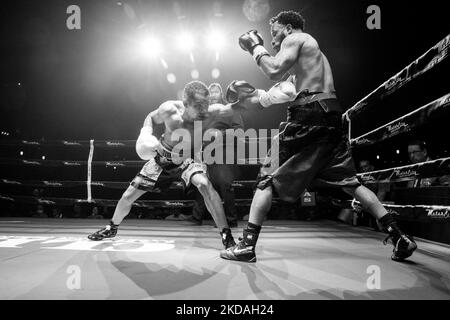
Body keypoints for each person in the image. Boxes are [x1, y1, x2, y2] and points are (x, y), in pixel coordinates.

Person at [220, 10, 417, 262]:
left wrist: (255, 47)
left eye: (275, 32)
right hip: (330, 119)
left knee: (266, 178)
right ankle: (399, 235)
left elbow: (273, 69)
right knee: (351, 183)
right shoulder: (309, 61)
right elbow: (271, 94)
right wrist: (245, 98)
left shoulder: (298, 39)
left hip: (309, 116)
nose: (272, 40)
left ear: (289, 28)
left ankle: (246, 246)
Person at [87, 81, 237, 249]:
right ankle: (111, 227)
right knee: (127, 197)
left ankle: (226, 235)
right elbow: (151, 116)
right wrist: (145, 133)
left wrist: (267, 97)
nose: (203, 110)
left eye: (205, 105)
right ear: (186, 103)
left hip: (189, 159)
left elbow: (244, 105)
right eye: (198, 106)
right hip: (162, 159)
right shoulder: (169, 109)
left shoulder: (212, 112)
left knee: (205, 186)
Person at [189, 83, 242, 227]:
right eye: (210, 92)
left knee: (225, 184)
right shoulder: (203, 113)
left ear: (221, 94)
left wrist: (217, 136)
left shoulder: (230, 110)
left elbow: (239, 131)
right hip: (206, 151)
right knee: (203, 183)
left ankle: (230, 220)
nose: (212, 94)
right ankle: (196, 218)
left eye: (215, 91)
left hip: (226, 150)